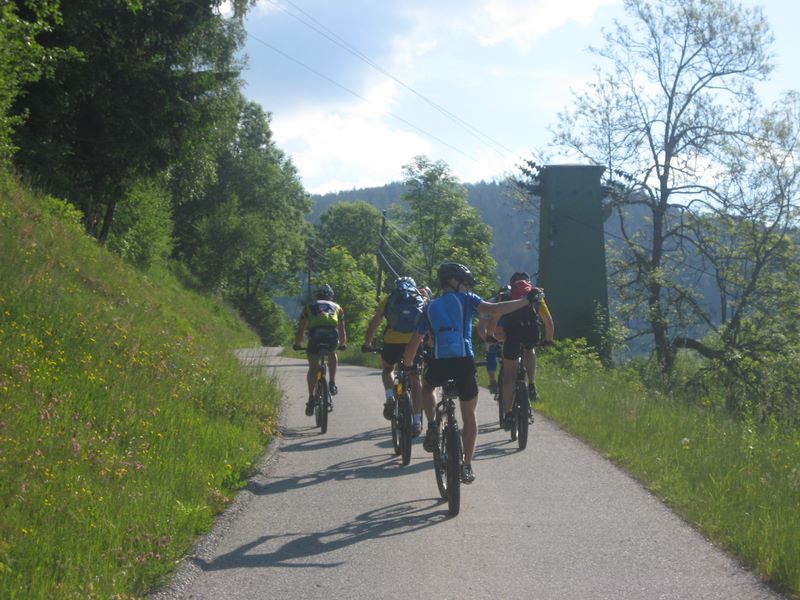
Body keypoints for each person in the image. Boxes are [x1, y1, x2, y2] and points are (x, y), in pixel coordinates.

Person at [403, 262, 542, 484]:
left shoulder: (429, 307)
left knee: (428, 387)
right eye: (465, 283)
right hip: (464, 363)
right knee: (469, 417)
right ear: (454, 282)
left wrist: (408, 364)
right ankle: (466, 465)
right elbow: (495, 309)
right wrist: (526, 300)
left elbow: (415, 341)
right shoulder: (467, 299)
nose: (467, 287)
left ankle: (432, 425)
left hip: (439, 362)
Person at [363, 277, 426, 434]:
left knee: (388, 368)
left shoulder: (389, 298)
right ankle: (417, 421)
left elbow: (375, 323)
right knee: (415, 378)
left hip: (392, 341)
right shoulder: (420, 299)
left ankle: (390, 396)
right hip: (414, 342)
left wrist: (367, 343)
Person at [499, 272, 554, 430]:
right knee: (530, 350)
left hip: (512, 335)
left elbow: (497, 318)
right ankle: (531, 384)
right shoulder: (536, 296)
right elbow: (548, 322)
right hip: (531, 333)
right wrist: (548, 340)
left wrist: (492, 336)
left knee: (509, 376)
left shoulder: (507, 296)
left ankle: (509, 413)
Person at [293, 284, 347, 416]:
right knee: (332, 353)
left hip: (315, 338)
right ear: (331, 296)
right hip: (331, 338)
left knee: (313, 368)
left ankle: (311, 397)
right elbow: (341, 329)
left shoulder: (309, 306)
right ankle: (332, 383)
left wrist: (298, 343)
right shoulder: (337, 307)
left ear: (318, 296)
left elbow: (301, 328)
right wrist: (342, 344)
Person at [477, 284, 510, 394]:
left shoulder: (514, 304)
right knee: (490, 352)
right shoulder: (490, 304)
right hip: (494, 330)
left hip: (508, 330)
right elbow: (481, 327)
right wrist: (488, 340)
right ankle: (493, 381)